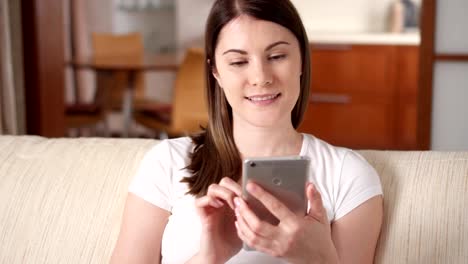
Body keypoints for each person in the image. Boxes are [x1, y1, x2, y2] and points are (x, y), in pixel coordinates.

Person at [110, 0, 383, 263]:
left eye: (277, 56)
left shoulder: (348, 175)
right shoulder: (166, 162)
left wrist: (318, 259)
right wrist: (209, 258)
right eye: (239, 62)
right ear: (216, 72)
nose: (261, 77)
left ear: (302, 61)